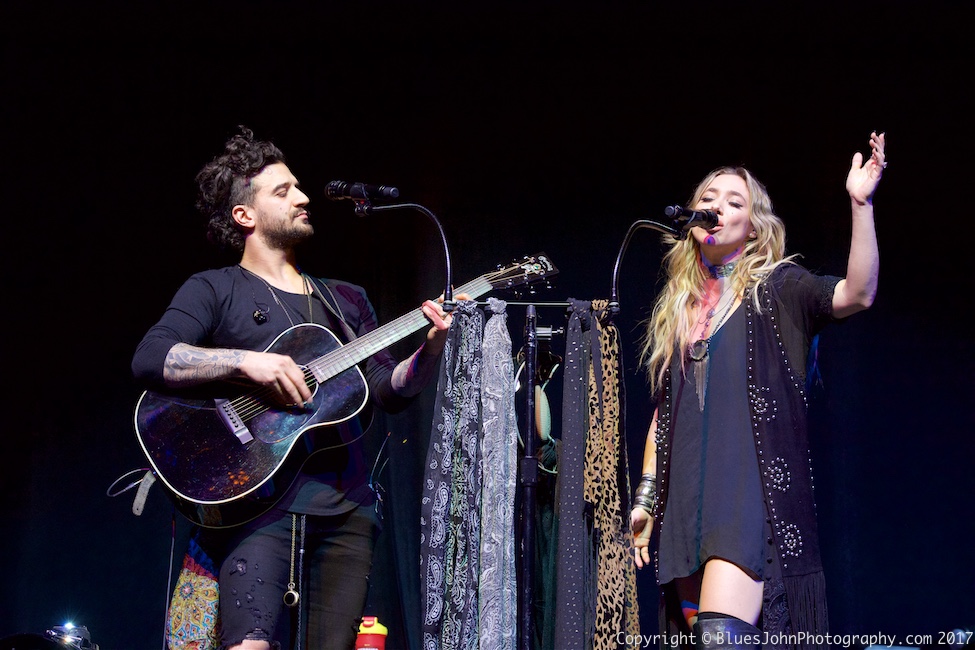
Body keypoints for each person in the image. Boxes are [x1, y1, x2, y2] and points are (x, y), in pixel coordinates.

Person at [132, 127, 459, 650]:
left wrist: (431, 350)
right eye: (282, 192)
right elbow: (152, 358)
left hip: (347, 508)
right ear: (245, 216)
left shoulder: (345, 300)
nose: (303, 198)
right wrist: (248, 363)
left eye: (298, 187)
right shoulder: (214, 288)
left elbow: (387, 389)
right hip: (258, 506)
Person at [630, 132, 885, 648]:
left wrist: (861, 204)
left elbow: (857, 292)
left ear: (753, 228)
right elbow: (664, 418)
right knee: (692, 638)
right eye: (707, 199)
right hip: (684, 510)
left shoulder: (778, 289)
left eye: (733, 201)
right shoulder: (678, 314)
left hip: (745, 505)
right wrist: (646, 499)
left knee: (721, 636)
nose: (715, 207)